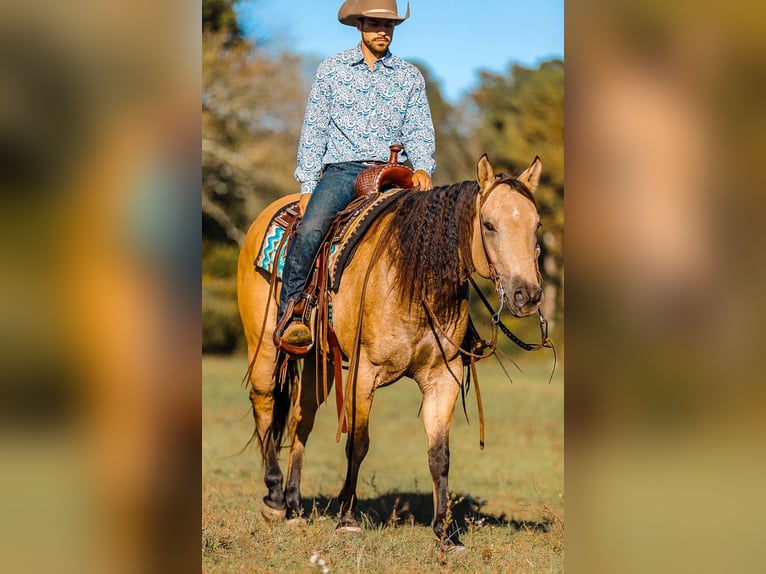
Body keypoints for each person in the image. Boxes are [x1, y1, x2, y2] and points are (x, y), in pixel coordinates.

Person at [275, 0, 436, 350]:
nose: (383, 31)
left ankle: (447, 324)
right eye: (376, 23)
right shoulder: (331, 70)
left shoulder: (409, 76)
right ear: (359, 24)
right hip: (342, 171)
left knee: (439, 233)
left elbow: (420, 130)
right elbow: (314, 129)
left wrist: (423, 166)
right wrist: (307, 184)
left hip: (396, 175)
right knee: (312, 227)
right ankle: (294, 313)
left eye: (389, 25)